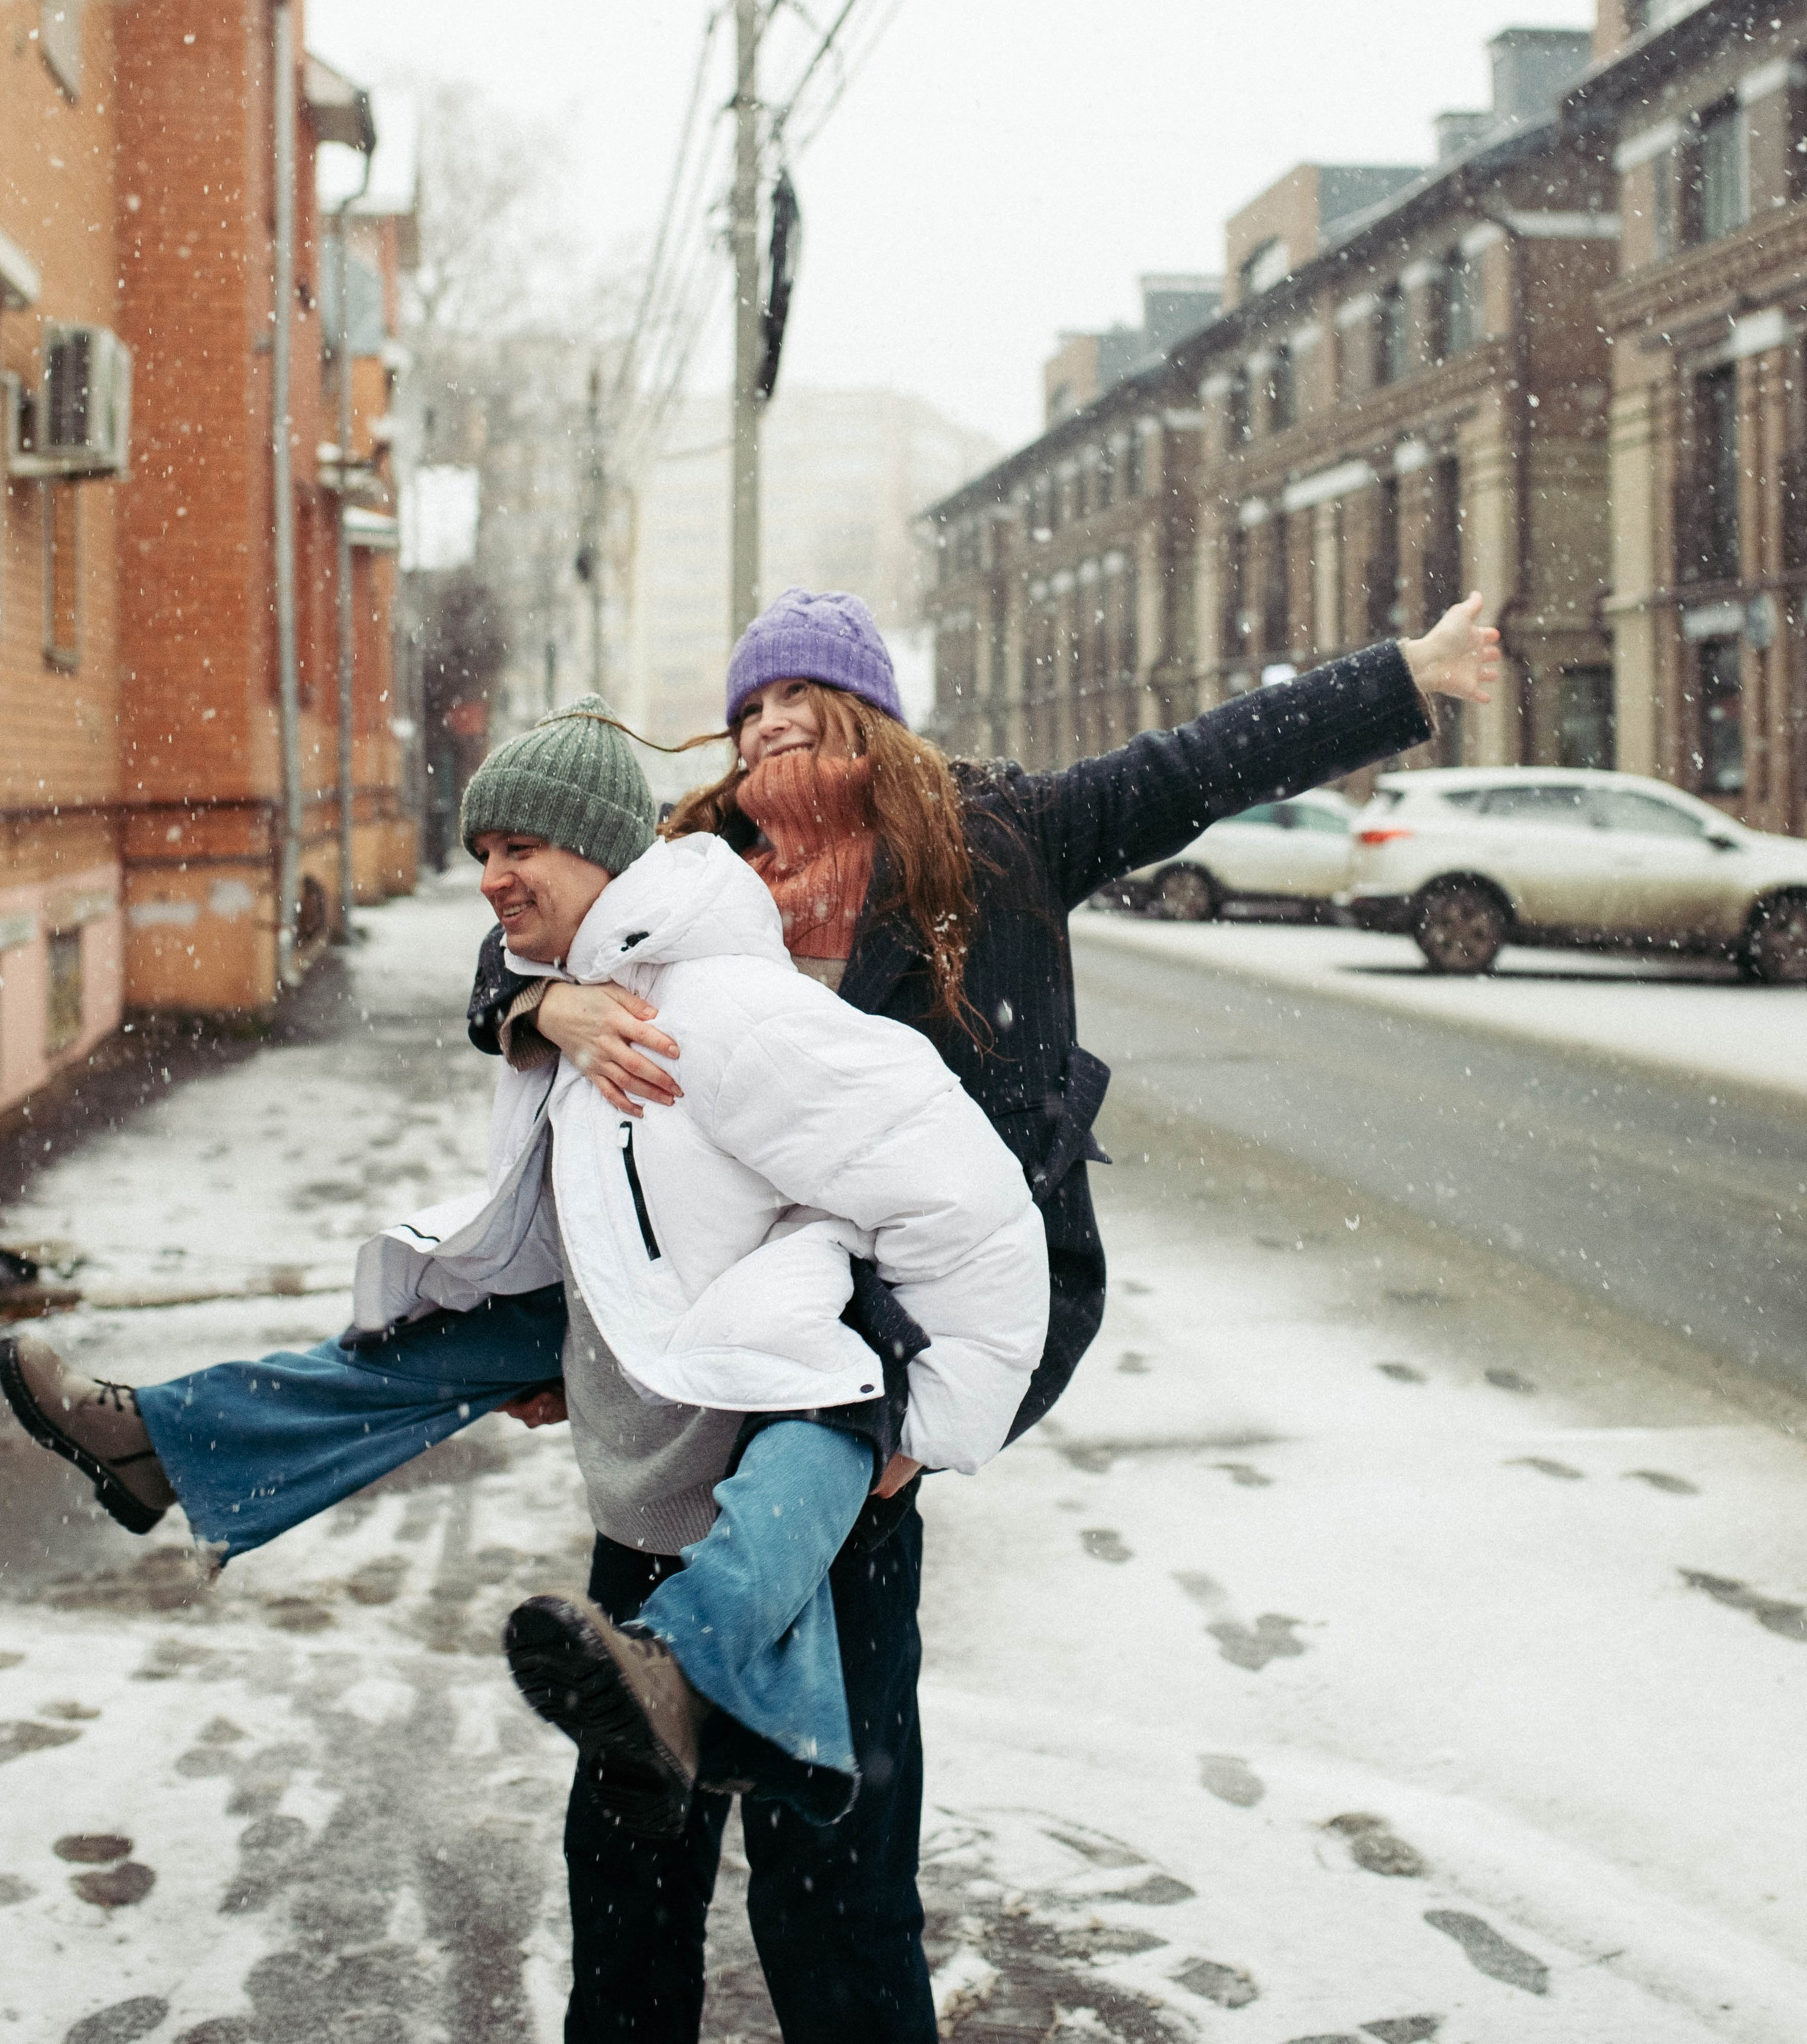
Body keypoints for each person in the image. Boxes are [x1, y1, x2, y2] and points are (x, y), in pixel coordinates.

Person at [457, 585, 1495, 2043]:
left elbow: (1194, 765)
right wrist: (533, 1010)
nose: (769, 730)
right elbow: (520, 920)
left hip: (869, 1387)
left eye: (803, 702)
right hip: (693, 1392)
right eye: (749, 710)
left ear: (874, 719)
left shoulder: (996, 845)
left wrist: (1403, 677)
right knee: (629, 1840)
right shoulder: (693, 867)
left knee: (834, 1866)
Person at [1, 704, 1047, 1858]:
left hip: (771, 1370)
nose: (494, 880)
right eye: (483, 854)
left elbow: (976, 1206)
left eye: (521, 851)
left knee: (828, 1408)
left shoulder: (727, 1015)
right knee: (427, 1343)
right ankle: (167, 1441)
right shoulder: (583, 1003)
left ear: (600, 849)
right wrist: (536, 1012)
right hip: (653, 1345)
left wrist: (937, 1419)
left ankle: (691, 1671)